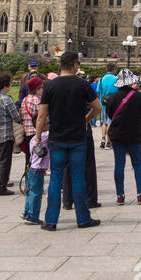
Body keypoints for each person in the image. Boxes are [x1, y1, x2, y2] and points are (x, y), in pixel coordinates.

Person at [34, 51, 100, 230]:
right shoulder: (83, 84)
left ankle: (51, 221)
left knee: (56, 178)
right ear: (74, 64)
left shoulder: (50, 86)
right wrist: (86, 119)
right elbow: (97, 108)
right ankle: (83, 218)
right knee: (78, 177)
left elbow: (41, 115)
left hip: (57, 137)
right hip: (78, 137)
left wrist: (38, 138)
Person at [106, 69, 141, 204]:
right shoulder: (140, 97)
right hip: (134, 133)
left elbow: (110, 114)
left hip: (117, 134)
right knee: (137, 164)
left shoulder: (112, 97)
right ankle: (140, 194)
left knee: (119, 164)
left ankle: (120, 195)